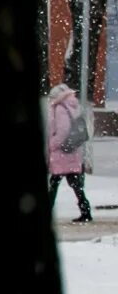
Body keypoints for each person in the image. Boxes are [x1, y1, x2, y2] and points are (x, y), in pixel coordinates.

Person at [48, 83, 94, 224]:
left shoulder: (60, 108)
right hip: (73, 152)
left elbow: (62, 130)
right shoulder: (73, 105)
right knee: (76, 185)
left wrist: (52, 144)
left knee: (54, 184)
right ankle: (86, 212)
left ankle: (46, 213)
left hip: (62, 154)